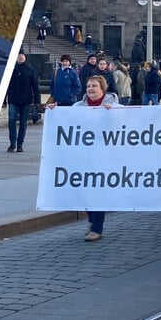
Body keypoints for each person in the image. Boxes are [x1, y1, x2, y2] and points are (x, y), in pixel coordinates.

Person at [47, 75, 119, 241]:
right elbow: (66, 121)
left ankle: (97, 227)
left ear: (102, 89)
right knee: (84, 189)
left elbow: (127, 120)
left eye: (94, 86)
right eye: (88, 86)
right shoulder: (78, 106)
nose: (91, 89)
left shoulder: (113, 105)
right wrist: (54, 111)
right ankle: (91, 218)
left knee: (97, 190)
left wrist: (113, 114)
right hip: (83, 155)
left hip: (103, 156)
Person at [5, 52, 41, 152]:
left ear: (25, 57)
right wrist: (4, 100)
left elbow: (35, 86)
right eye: (18, 55)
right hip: (13, 98)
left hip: (26, 99)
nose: (20, 56)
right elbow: (6, 86)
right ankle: (12, 143)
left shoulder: (30, 70)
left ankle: (20, 143)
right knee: (12, 120)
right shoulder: (11, 70)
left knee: (23, 122)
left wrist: (37, 101)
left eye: (22, 55)